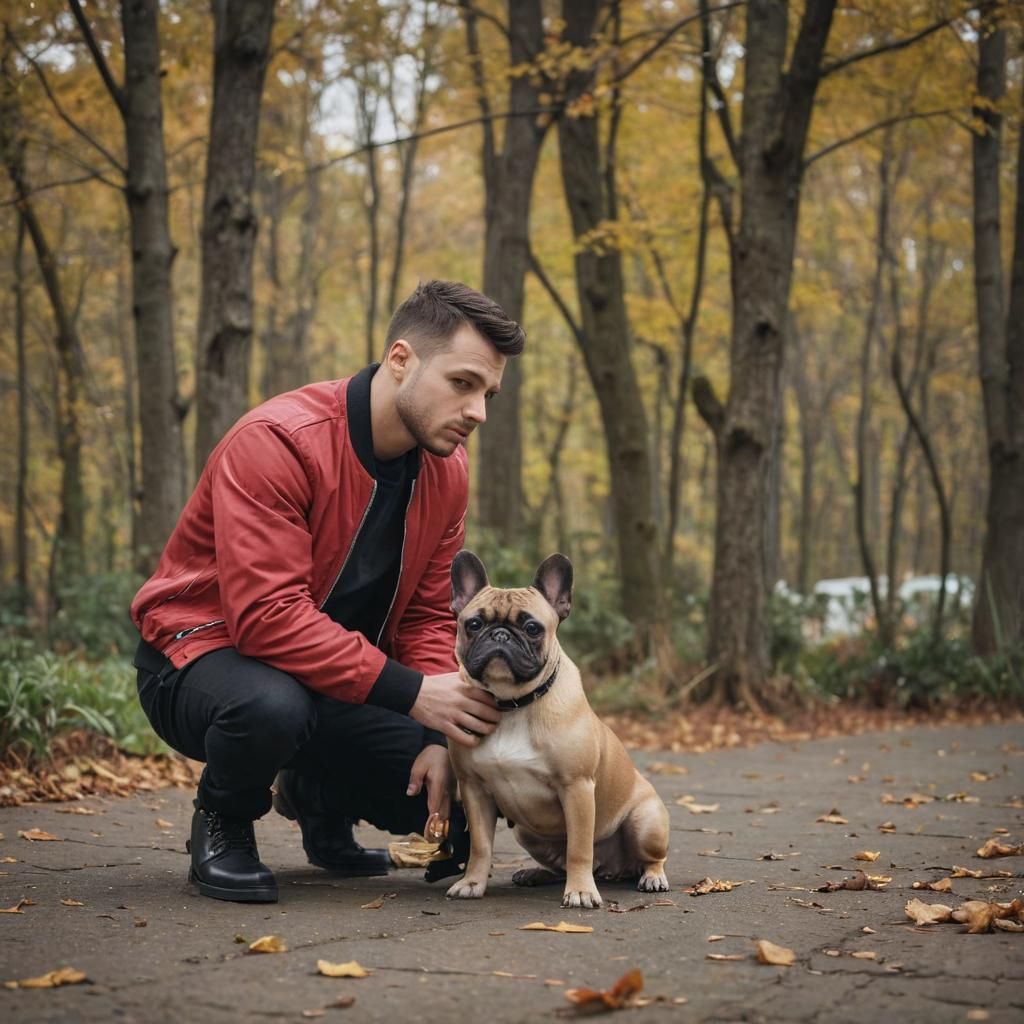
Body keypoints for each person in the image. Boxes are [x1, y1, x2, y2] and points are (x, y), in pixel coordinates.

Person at [130, 280, 525, 903]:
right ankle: (223, 820)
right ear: (401, 360)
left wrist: (437, 736)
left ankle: (314, 795)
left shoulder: (446, 471)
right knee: (271, 708)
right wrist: (415, 693)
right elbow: (265, 618)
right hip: (199, 659)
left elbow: (426, 615)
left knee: (477, 787)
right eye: (462, 383)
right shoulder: (279, 441)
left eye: (489, 394)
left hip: (338, 679)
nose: (479, 410)